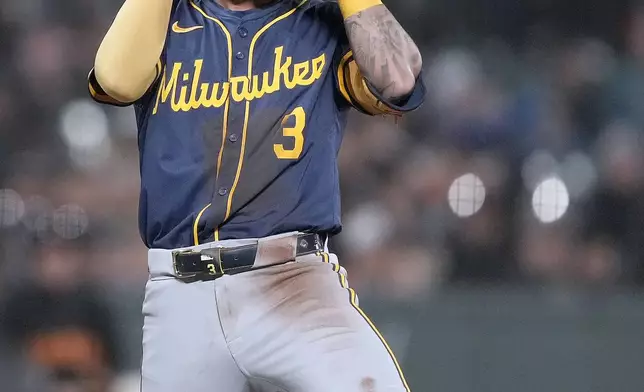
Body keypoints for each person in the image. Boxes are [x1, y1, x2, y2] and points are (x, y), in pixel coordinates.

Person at [89, 0, 424, 390]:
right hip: (181, 294)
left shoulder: (318, 20)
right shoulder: (169, 17)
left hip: (292, 280)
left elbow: (398, 78)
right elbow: (116, 79)